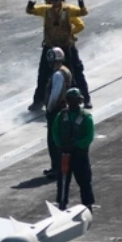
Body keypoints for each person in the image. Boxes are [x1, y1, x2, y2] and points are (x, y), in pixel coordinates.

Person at [26, 0, 91, 111]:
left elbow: (82, 16)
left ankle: (83, 99)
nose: (54, 1)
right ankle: (38, 101)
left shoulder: (68, 10)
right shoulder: (46, 10)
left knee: (73, 73)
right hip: (50, 46)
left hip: (66, 46)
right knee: (43, 74)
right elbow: (31, 11)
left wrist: (82, 7)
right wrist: (29, 7)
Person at [50, 88, 95, 210]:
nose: (72, 102)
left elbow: (89, 136)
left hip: (79, 154)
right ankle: (62, 202)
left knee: (84, 180)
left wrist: (78, 144)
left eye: (74, 100)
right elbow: (55, 132)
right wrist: (60, 145)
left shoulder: (86, 117)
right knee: (63, 180)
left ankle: (87, 203)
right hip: (65, 153)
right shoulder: (61, 115)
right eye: (70, 100)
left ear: (79, 101)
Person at [42, 47, 75, 179]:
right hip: (63, 108)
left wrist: (49, 108)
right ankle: (58, 167)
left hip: (56, 110)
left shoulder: (57, 74)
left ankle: (57, 168)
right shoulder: (65, 70)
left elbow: (55, 94)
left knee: (53, 140)